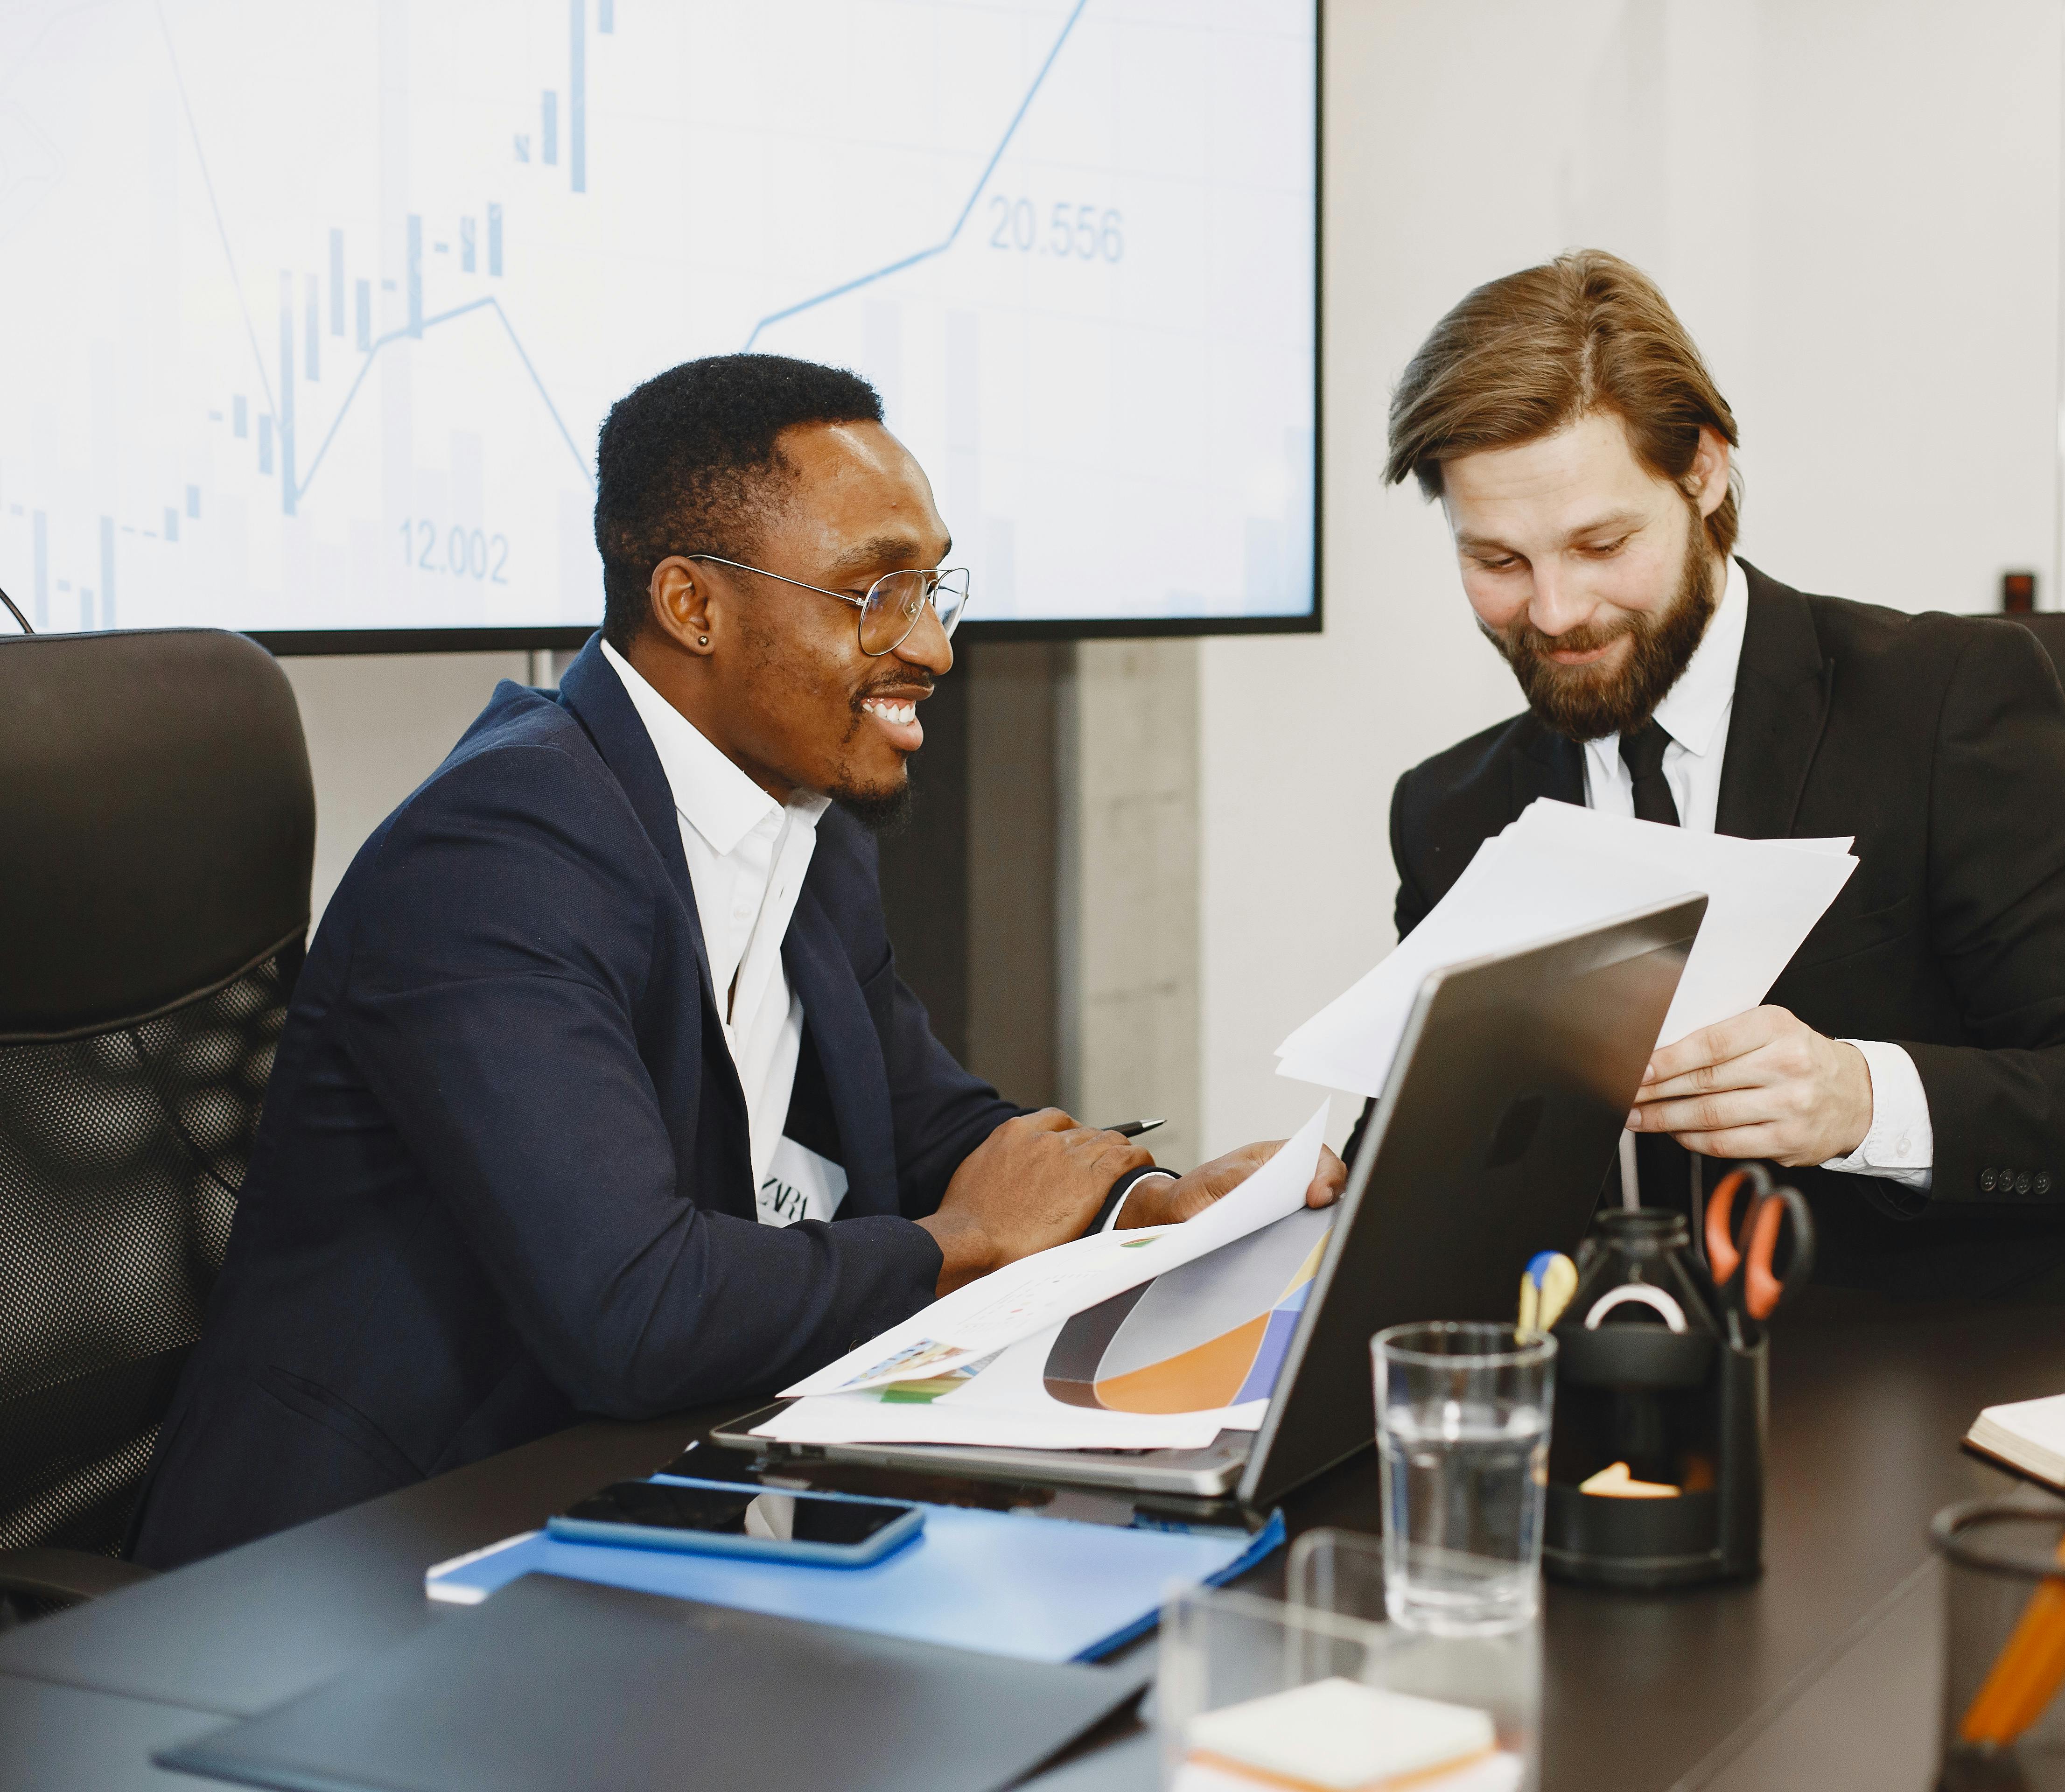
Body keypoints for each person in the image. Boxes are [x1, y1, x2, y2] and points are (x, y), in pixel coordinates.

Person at [133, 354, 1341, 1565]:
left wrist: (1147, 1211)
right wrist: (962, 1242)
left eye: (932, 588)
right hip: (368, 1565)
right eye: (874, 593)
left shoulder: (794, 826)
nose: (931, 645)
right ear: (693, 606)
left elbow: (925, 1125)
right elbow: (636, 1312)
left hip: (655, 1491)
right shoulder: (495, 858)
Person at [1378, 252, 2065, 1308]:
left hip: (1943, 1378)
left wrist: (1862, 1101)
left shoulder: (1947, 705)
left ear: (1704, 471)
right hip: (1619, 1404)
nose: (1556, 611)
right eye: (1497, 563)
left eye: (1602, 543)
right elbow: (1434, 1176)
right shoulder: (1452, 811)